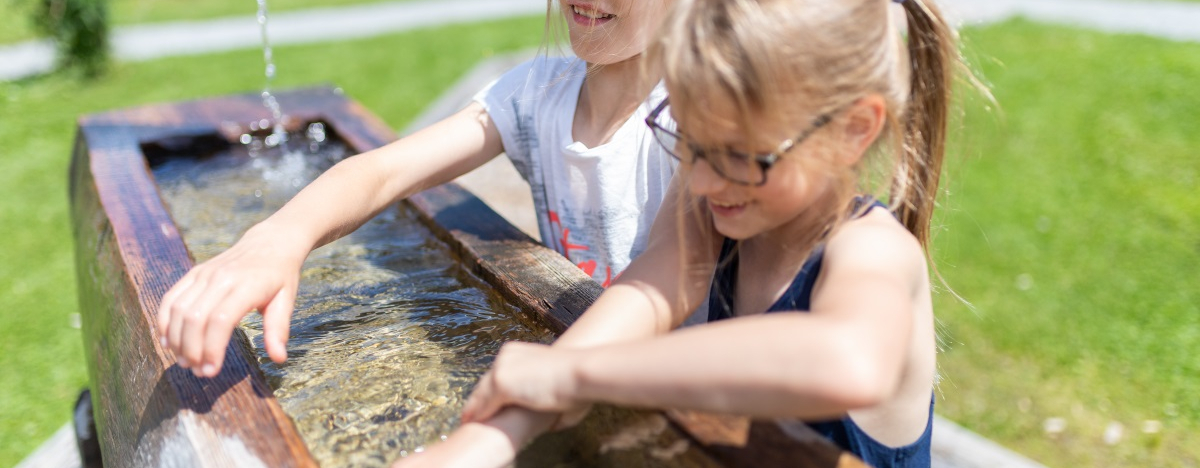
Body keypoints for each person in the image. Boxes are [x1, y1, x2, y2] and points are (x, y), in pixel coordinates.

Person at [407, 0, 964, 466]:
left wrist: (572, 373)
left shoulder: (874, 250)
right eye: (689, 143)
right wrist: (487, 438)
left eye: (738, 156)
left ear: (853, 131)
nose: (699, 180)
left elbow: (850, 362)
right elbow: (638, 301)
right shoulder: (713, 212)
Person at [156, 0, 677, 379]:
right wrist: (277, 239)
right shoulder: (538, 94)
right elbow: (380, 173)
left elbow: (669, 276)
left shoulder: (695, 120)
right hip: (582, 363)